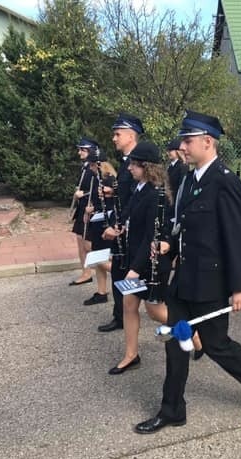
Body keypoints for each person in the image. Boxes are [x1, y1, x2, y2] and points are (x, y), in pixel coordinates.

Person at [134, 111, 241, 434]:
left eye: (188, 140)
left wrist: (240, 286)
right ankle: (172, 410)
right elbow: (183, 226)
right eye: (183, 140)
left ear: (207, 142)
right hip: (185, 278)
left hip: (211, 281)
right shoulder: (188, 179)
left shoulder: (224, 180)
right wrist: (169, 244)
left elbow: (237, 236)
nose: (182, 146)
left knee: (216, 345)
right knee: (175, 341)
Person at [104, 142, 172, 374]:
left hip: (150, 263)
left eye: (135, 164)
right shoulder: (139, 188)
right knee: (129, 304)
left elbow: (150, 237)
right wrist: (117, 227)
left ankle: (193, 333)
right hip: (136, 260)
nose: (130, 168)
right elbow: (127, 214)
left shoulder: (154, 194)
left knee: (156, 311)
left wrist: (134, 268)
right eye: (131, 163)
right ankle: (131, 354)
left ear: (148, 167)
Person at [98, 113, 144, 333]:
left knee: (133, 281)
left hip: (131, 232)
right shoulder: (125, 161)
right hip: (122, 229)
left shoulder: (139, 162)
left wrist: (119, 225)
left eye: (118, 134)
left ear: (131, 135)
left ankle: (192, 335)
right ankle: (121, 315)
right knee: (117, 272)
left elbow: (137, 198)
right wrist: (111, 191)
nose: (114, 138)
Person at [82, 144, 116, 306]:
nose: (90, 168)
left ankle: (120, 274)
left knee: (99, 257)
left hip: (105, 221)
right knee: (97, 256)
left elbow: (116, 202)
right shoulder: (96, 179)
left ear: (99, 164)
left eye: (92, 165)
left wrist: (111, 192)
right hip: (97, 219)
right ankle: (101, 291)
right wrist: (90, 210)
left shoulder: (109, 179)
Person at [68, 138, 96, 286]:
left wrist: (83, 194)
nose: (79, 152)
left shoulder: (93, 168)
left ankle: (109, 263)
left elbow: (96, 190)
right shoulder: (85, 167)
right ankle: (86, 272)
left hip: (89, 208)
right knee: (80, 241)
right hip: (81, 208)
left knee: (89, 245)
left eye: (82, 150)